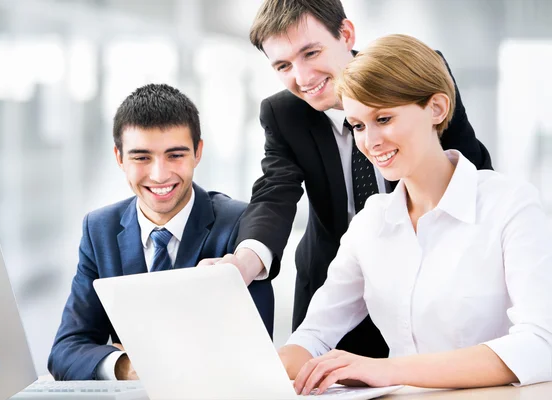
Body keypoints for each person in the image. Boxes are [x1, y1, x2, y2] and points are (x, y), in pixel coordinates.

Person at [201, 0, 493, 359]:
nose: (303, 77)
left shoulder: (408, 74)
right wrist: (244, 262)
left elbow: (466, 169)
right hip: (333, 286)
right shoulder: (283, 113)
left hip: (431, 280)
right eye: (283, 65)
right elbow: (275, 193)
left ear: (346, 34)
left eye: (311, 52)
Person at [278, 34, 552, 393]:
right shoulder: (371, 223)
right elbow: (313, 335)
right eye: (359, 125)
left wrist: (390, 370)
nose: (370, 141)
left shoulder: (510, 206)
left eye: (384, 118)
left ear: (436, 108)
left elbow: (541, 345)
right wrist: (249, 366)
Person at [48, 83, 274, 381]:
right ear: (119, 158)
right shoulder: (99, 228)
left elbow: (251, 354)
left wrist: (149, 357)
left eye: (175, 155)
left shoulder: (239, 225)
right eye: (141, 158)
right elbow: (65, 351)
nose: (159, 175)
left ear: (198, 152)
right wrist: (127, 365)